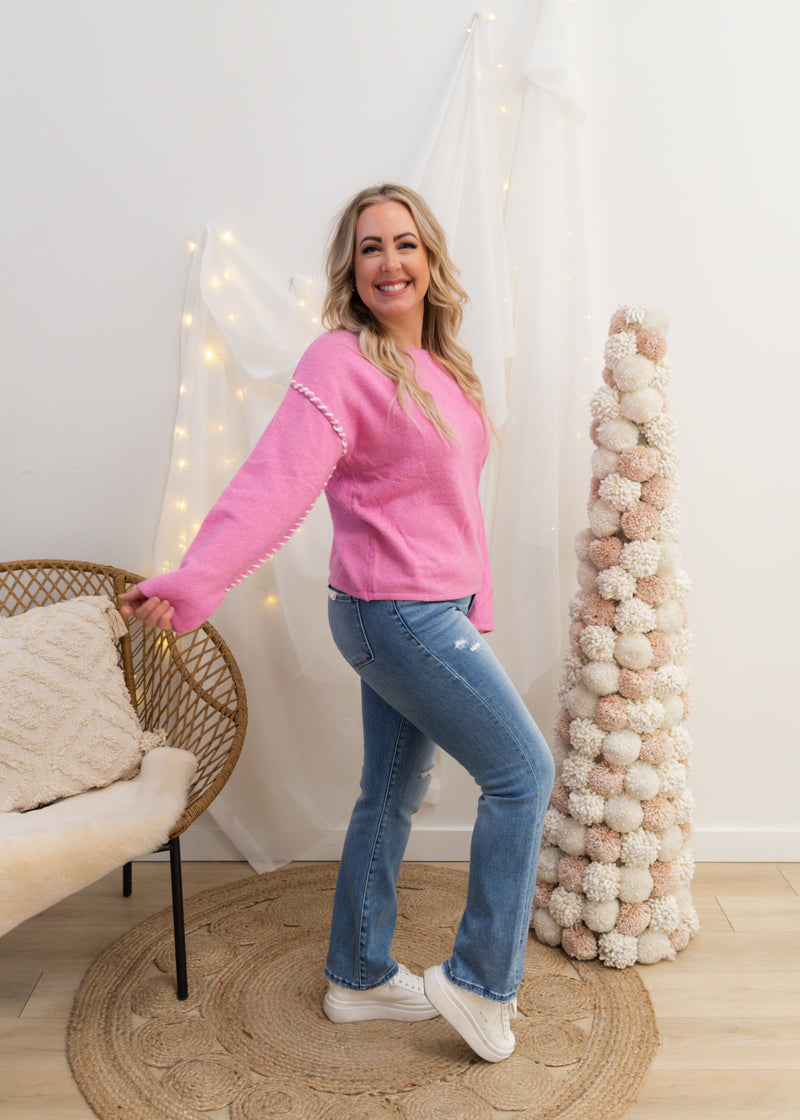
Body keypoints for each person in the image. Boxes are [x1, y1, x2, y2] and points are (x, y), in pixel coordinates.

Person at [120, 183, 555, 1063]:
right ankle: (481, 984)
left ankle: (357, 976)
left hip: (424, 610)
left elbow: (454, 505)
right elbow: (274, 483)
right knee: (523, 775)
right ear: (350, 270)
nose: (389, 262)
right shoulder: (338, 361)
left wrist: (475, 601)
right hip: (393, 613)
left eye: (405, 244)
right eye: (370, 248)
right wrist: (198, 578)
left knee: (389, 792)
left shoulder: (444, 367)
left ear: (430, 260)